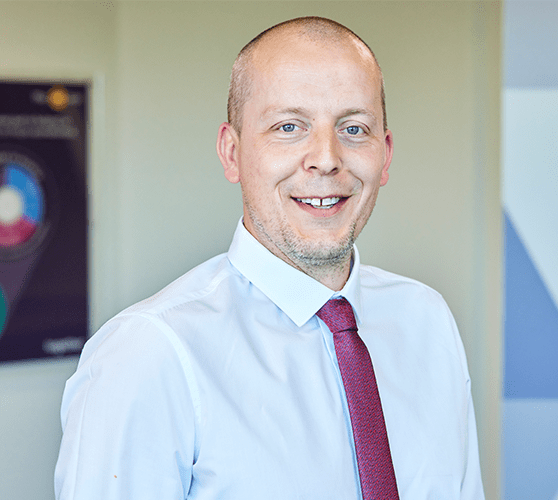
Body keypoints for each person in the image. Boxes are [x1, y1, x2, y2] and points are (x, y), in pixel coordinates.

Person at [55, 16, 485, 500]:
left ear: (384, 155)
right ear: (232, 152)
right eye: (288, 126)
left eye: (353, 127)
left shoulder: (428, 320)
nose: (326, 158)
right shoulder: (149, 355)